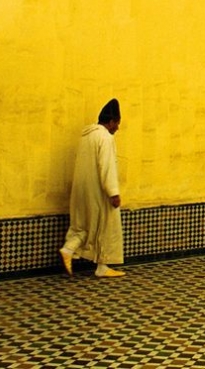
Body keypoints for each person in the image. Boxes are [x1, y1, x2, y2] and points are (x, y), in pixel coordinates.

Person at [59, 98, 125, 278]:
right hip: (98, 191)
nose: (117, 128)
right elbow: (107, 166)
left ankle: (68, 248)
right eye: (117, 123)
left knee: (83, 225)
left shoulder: (87, 135)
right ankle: (102, 267)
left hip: (81, 190)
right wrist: (113, 192)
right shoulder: (104, 137)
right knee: (105, 225)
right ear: (110, 121)